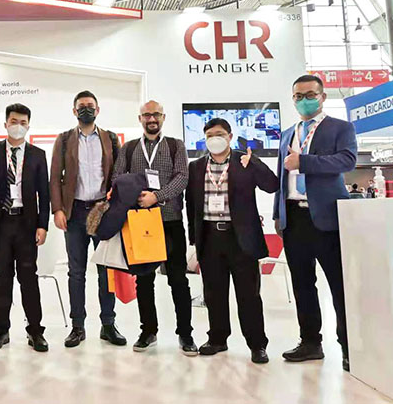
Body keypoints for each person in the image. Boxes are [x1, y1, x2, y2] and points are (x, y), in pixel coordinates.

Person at [273, 75, 357, 372]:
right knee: (302, 284)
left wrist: (305, 162)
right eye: (298, 96)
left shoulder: (340, 128)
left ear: (322, 96)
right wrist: (278, 214)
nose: (304, 100)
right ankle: (310, 342)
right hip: (294, 218)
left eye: (310, 94)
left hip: (327, 219)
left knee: (338, 285)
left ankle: (349, 347)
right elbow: (282, 177)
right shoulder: (287, 133)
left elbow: (347, 161)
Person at [185, 118, 279, 364]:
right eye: (209, 135)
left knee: (249, 295)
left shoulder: (243, 161)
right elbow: (191, 204)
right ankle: (217, 339)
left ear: (230, 136)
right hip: (209, 238)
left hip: (241, 239)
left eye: (219, 134)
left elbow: (272, 185)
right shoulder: (196, 167)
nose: (214, 139)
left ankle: (257, 344)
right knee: (213, 293)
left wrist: (255, 163)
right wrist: (193, 237)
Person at [112, 100, 196, 355]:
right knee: (144, 280)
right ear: (140, 119)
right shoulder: (128, 149)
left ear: (163, 117)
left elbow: (182, 177)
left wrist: (156, 196)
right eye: (147, 115)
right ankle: (148, 331)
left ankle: (185, 334)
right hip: (140, 223)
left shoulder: (175, 145)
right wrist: (137, 195)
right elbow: (117, 178)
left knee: (178, 279)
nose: (152, 119)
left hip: (170, 222)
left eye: (156, 114)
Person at [50, 90, 126, 348]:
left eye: (90, 106)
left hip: (103, 212)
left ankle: (108, 324)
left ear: (98, 109)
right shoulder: (64, 139)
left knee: (107, 269)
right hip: (74, 213)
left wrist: (117, 207)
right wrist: (58, 209)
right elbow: (55, 178)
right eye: (81, 106)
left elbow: (118, 174)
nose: (86, 109)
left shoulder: (111, 138)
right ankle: (78, 326)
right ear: (74, 111)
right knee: (76, 272)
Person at [0, 103, 50, 352]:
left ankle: (35, 331)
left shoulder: (38, 155)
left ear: (28, 126)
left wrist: (43, 225)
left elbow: (44, 194)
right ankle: (1, 330)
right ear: (5, 124)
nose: (18, 126)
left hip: (26, 224)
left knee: (29, 278)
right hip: (0, 223)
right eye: (13, 121)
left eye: (22, 122)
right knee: (2, 278)